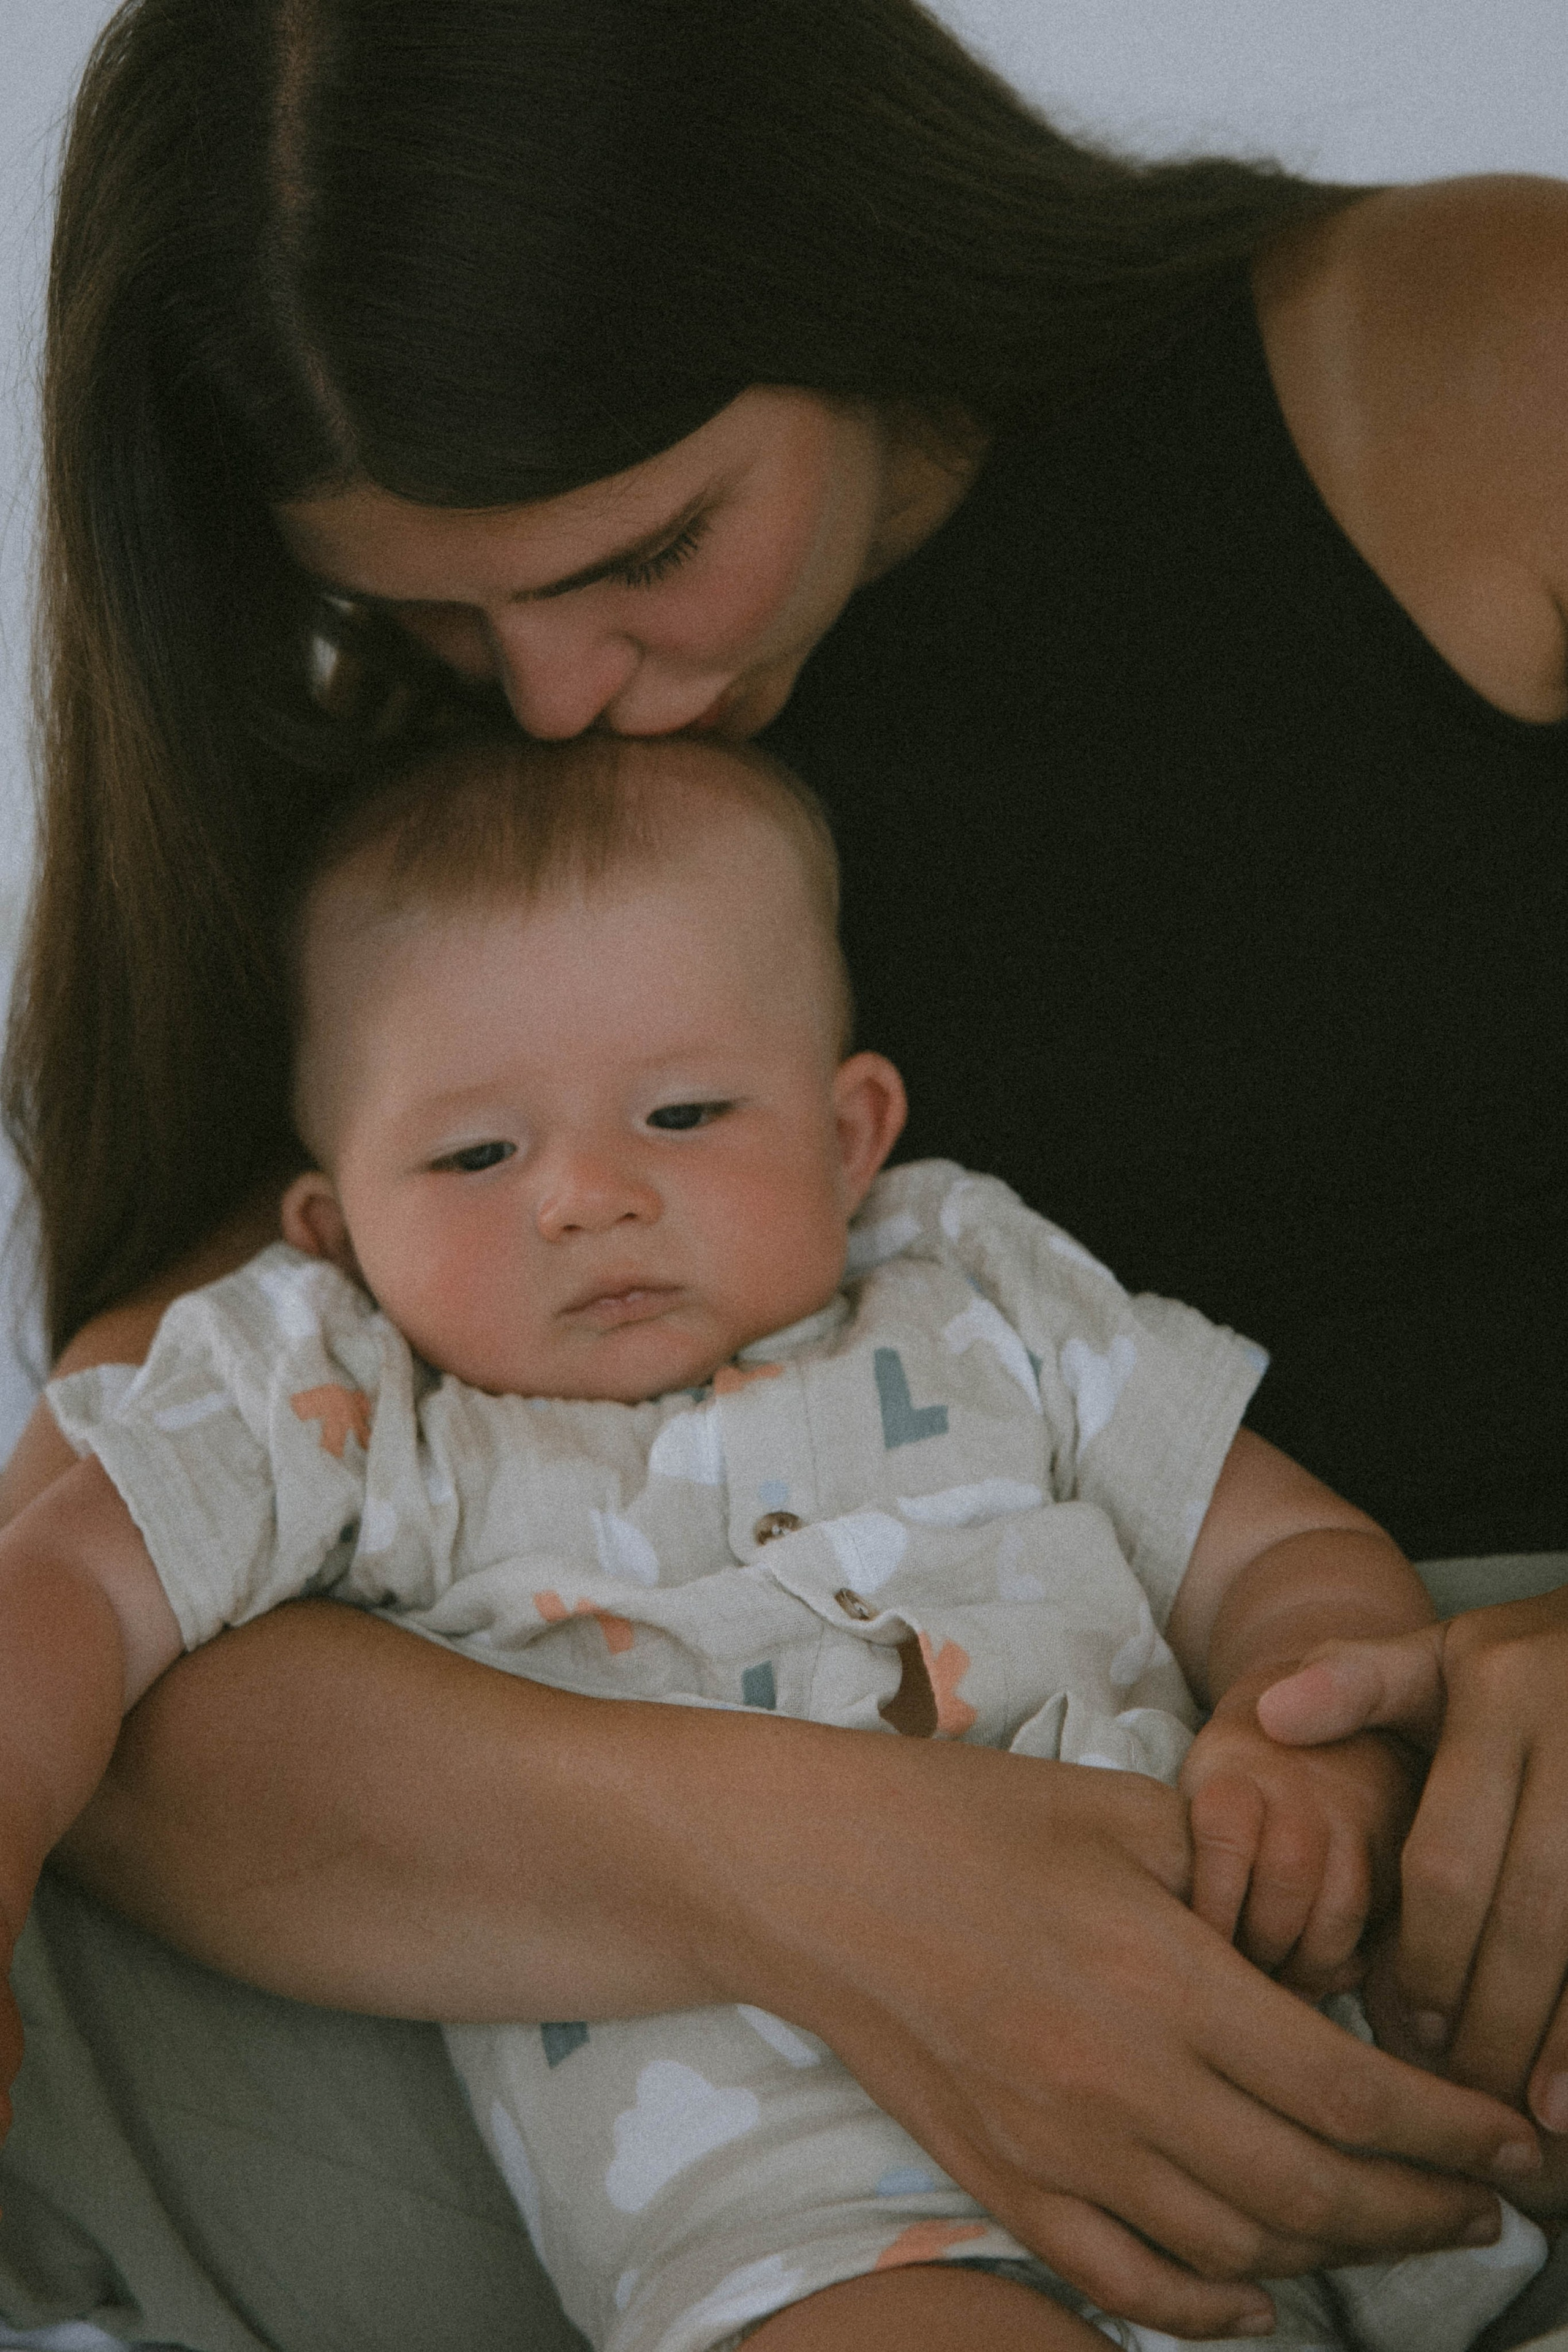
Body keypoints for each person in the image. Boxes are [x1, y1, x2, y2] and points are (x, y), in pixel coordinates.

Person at [2, 0, 1567, 2344]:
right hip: (680, 2014)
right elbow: (124, 1589)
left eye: (652, 544)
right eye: (423, 608)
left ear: (838, 248)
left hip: (1396, 1822)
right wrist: (849, 1889)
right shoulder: (440, 857)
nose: (546, 701)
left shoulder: (1461, 381)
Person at [9, 725, 1551, 2352]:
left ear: (849, 1133)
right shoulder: (337, 1395)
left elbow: (1278, 1551)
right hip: (835, 2231)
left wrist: (1312, 1733)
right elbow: (61, 1586)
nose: (587, 1195)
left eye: (683, 1113)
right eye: (476, 1154)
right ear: (331, 1227)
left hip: (1311, 2085)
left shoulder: (977, 1286)